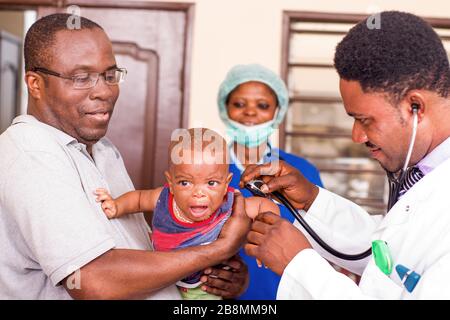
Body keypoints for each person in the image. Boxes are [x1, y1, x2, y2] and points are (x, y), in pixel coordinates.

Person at [0, 13, 250, 300]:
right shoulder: (31, 154)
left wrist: (212, 276)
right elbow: (94, 281)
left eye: (109, 75)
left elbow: (139, 252)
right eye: (82, 78)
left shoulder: (102, 149)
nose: (105, 91)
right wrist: (217, 249)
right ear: (35, 83)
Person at [241, 11, 450, 299]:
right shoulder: (427, 173)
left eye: (365, 120)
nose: (357, 136)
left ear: (415, 106)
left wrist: (300, 265)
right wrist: (311, 200)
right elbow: (388, 257)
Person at [94, 128, 279, 300]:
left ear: (226, 184)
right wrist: (117, 206)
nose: (199, 193)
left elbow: (265, 206)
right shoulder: (164, 198)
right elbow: (139, 199)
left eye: (212, 183)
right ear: (171, 182)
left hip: (203, 288)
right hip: (158, 281)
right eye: (185, 183)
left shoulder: (231, 205)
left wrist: (263, 242)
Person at [217, 64, 323, 299]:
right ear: (225, 108)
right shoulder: (207, 171)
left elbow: (320, 242)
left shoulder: (301, 172)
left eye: (262, 105)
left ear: (278, 110)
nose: (250, 113)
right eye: (239, 104)